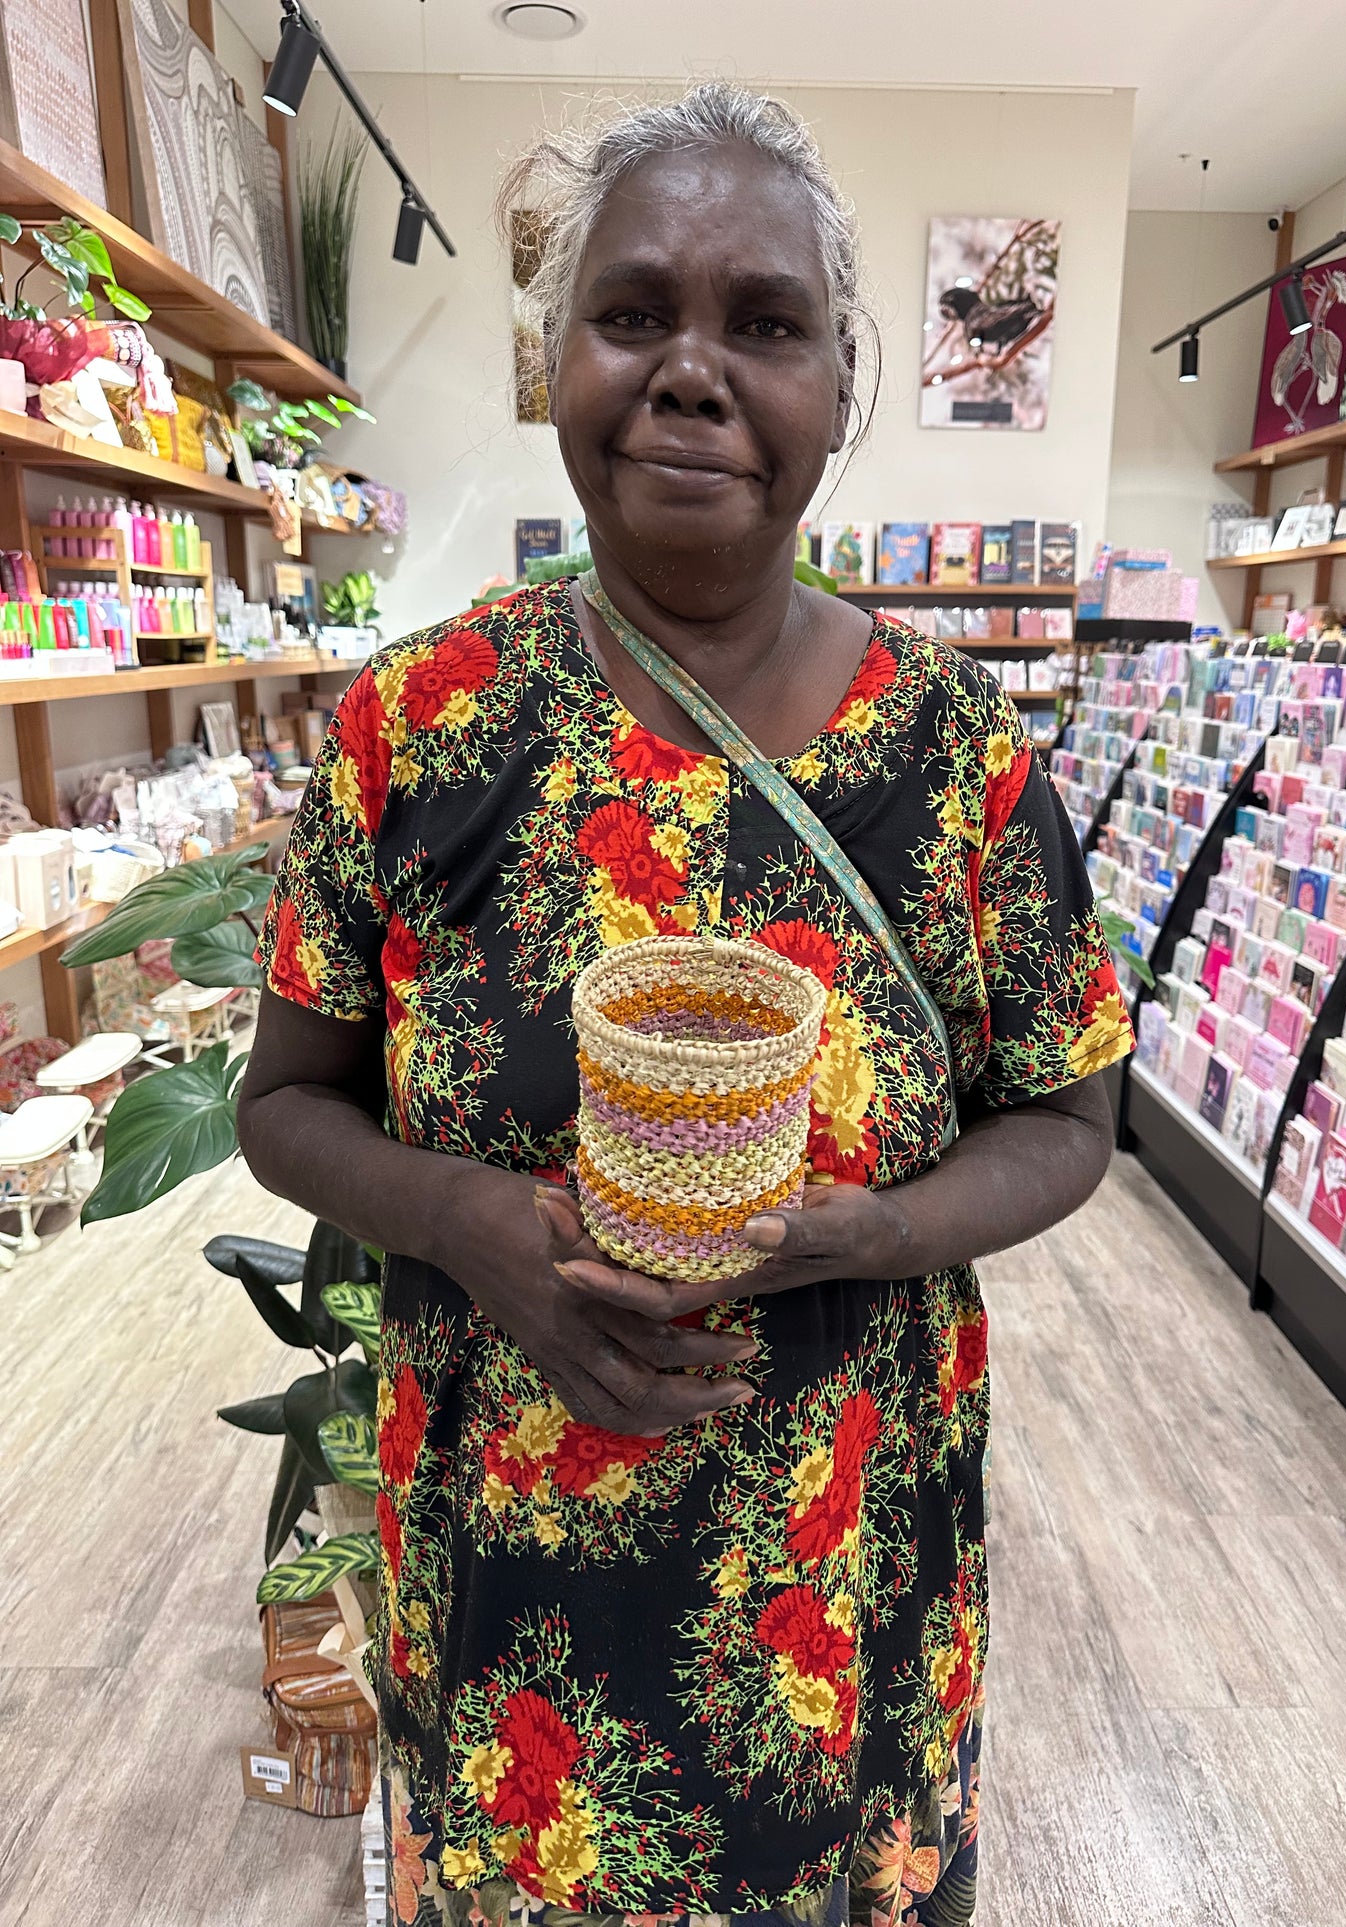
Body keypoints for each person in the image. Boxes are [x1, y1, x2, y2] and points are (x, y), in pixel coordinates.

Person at [240, 81, 1133, 1927]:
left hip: (841, 1574)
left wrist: (870, 1229)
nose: (694, 372)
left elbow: (1068, 1117)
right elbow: (287, 1102)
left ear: (839, 387)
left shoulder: (959, 757)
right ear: (551, 356)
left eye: (767, 325)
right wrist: (470, 1224)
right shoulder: (418, 730)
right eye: (632, 313)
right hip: (515, 1599)